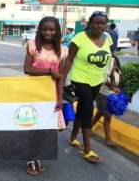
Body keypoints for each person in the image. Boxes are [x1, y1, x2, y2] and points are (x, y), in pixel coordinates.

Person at [62, 11, 113, 163]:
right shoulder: (79, 38)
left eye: (103, 23)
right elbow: (69, 61)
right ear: (89, 24)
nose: (100, 26)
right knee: (88, 110)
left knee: (83, 109)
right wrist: (62, 81)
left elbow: (110, 59)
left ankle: (72, 137)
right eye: (97, 23)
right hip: (80, 79)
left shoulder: (108, 38)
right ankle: (87, 149)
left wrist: (110, 77)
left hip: (97, 80)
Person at [23, 16, 67, 175]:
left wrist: (60, 98)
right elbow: (27, 69)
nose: (48, 32)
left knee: (44, 128)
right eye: (44, 29)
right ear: (40, 30)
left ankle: (37, 157)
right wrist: (49, 71)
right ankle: (30, 159)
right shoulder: (33, 46)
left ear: (57, 31)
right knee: (32, 126)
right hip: (32, 92)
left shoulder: (62, 50)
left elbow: (60, 77)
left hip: (50, 95)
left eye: (51, 29)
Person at [92, 55, 122, 147]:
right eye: (112, 64)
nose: (114, 66)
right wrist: (113, 87)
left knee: (99, 113)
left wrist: (117, 90)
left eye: (115, 64)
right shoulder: (104, 71)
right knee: (107, 116)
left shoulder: (119, 72)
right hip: (102, 94)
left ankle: (87, 127)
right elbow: (107, 82)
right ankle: (108, 139)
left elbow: (119, 84)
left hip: (112, 96)